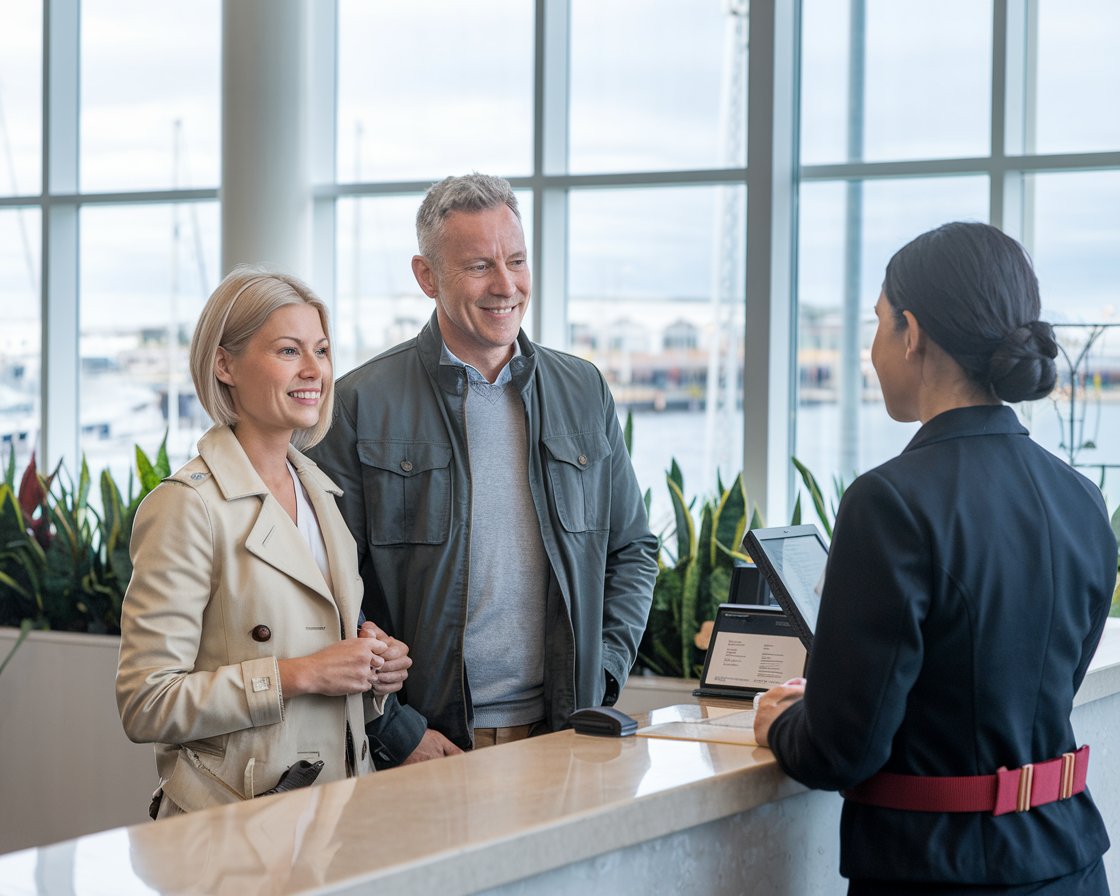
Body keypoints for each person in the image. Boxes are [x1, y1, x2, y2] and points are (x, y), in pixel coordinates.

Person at [754, 222, 1115, 893]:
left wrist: (782, 722)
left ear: (911, 332)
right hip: (1071, 863)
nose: (872, 351)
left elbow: (841, 751)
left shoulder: (889, 503)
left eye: (879, 325)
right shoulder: (1082, 500)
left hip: (938, 874)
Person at [309, 173, 659, 764]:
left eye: (516, 260)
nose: (506, 286)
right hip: (429, 744)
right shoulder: (357, 404)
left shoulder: (583, 389)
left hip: (562, 735)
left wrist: (599, 676)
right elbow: (324, 591)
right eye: (478, 266)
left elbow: (632, 551)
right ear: (427, 276)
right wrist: (397, 729)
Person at [116, 267, 412, 816]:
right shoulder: (187, 506)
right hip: (235, 824)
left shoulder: (323, 496)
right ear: (224, 364)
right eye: (287, 350)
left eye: (321, 351)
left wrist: (374, 668)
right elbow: (146, 702)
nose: (313, 371)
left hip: (338, 817)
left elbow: (327, 660)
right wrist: (301, 674)